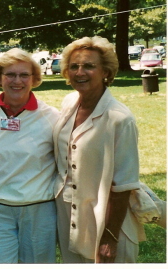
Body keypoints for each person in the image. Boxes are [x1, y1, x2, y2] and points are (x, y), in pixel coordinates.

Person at [53, 36, 146, 263]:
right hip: (69, 218)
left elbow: (124, 184)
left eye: (89, 66)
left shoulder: (120, 119)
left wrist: (110, 237)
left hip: (106, 220)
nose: (80, 72)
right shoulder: (69, 103)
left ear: (106, 71)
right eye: (74, 66)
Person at [0, 48, 59, 263]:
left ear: (34, 79)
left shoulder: (52, 117)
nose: (17, 81)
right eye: (10, 74)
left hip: (39, 210)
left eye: (24, 75)